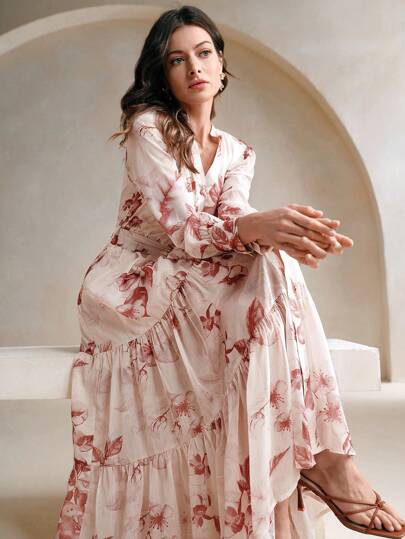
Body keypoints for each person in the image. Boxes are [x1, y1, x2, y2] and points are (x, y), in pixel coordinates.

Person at [54, 5, 405, 539]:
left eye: (204, 53)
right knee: (270, 259)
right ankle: (325, 462)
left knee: (275, 262)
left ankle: (308, 468)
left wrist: (286, 233)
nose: (194, 67)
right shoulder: (148, 130)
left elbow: (232, 220)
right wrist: (264, 227)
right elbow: (187, 230)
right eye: (177, 59)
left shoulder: (239, 152)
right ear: (162, 74)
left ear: (221, 63)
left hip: (199, 274)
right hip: (137, 285)